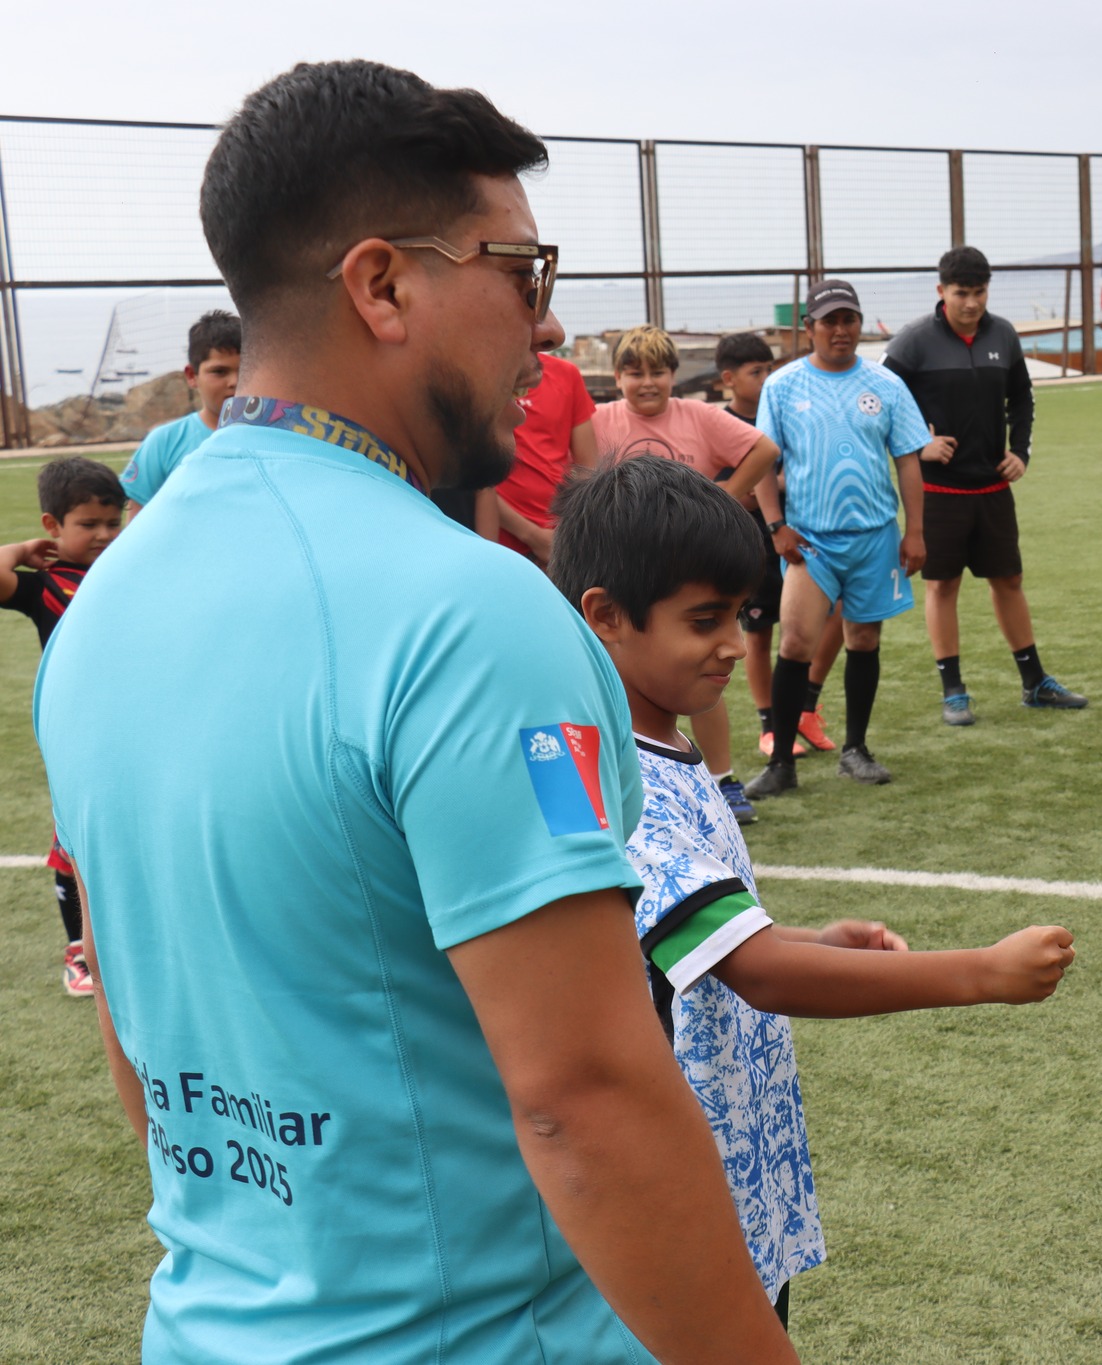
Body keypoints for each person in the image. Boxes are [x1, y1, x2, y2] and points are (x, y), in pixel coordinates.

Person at [33, 59, 793, 1363]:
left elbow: (135, 1043)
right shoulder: (477, 614)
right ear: (382, 284)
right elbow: (586, 1096)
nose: (549, 329)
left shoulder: (103, 608)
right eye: (523, 270)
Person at [547, 453, 1075, 1326]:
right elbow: (756, 974)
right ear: (604, 617)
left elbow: (699, 944)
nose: (733, 643)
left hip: (731, 1158)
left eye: (738, 611)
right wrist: (979, 971)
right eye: (705, 619)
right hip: (672, 1181)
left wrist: (801, 935)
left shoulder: (665, 750)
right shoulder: (605, 775)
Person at [745, 279, 934, 797]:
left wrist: (915, 531)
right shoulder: (783, 386)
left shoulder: (886, 384)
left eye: (849, 319)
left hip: (875, 535)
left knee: (864, 640)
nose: (840, 330)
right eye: (829, 320)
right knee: (797, 642)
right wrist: (776, 527)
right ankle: (782, 761)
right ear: (809, 328)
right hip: (810, 541)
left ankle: (856, 749)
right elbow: (763, 461)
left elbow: (908, 460)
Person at [884, 245, 1086, 724]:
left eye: (978, 292)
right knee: (943, 587)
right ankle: (954, 691)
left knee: (1009, 581)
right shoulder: (913, 341)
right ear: (941, 292)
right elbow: (881, 402)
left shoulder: (1004, 335)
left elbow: (1022, 398)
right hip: (939, 492)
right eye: (961, 293)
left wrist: (1021, 451)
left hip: (993, 489)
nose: (971, 303)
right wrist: (917, 445)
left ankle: (1035, 681)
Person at [593, 323, 781, 823]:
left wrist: (717, 501)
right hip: (631, 579)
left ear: (674, 375)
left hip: (691, 577)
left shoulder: (696, 415)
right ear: (617, 377)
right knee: (624, 679)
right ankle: (632, 779)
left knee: (703, 673)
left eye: (658, 371)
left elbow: (763, 449)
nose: (647, 382)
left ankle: (721, 778)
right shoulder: (598, 421)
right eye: (634, 372)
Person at [0, 456, 124, 995]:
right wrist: (21, 551)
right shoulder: (48, 585)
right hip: (77, 735)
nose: (102, 534)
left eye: (111, 522)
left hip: (136, 728)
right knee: (73, 840)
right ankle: (79, 950)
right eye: (87, 524)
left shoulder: (130, 568)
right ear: (54, 526)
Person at [718, 331, 841, 762]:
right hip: (754, 543)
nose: (767, 378)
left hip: (806, 536)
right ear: (729, 379)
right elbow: (729, 491)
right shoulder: (724, 425)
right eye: (756, 372)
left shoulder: (789, 409)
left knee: (837, 616)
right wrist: (780, 483)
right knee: (760, 635)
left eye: (769, 369)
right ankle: (770, 726)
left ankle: (805, 706)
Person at [119, 310, 240, 508]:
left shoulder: (278, 439)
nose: (234, 382)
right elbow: (137, 526)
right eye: (219, 372)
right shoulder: (164, 442)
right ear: (192, 375)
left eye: (246, 370)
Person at [494, 347, 597, 565]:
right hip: (501, 541)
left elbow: (588, 468)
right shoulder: (486, 371)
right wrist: (532, 536)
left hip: (561, 538)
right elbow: (476, 481)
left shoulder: (567, 374)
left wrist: (570, 531)